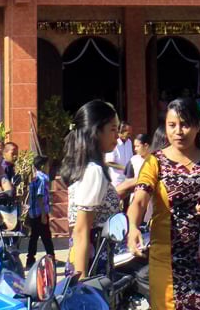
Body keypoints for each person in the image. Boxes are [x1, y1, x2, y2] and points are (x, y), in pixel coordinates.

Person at [127, 97, 200, 310]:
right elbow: (140, 200)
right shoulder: (155, 161)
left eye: (185, 124)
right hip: (165, 258)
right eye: (172, 125)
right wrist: (133, 226)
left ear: (198, 126)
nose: (178, 131)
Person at [60, 100, 125, 278]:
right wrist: (82, 282)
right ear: (96, 132)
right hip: (92, 266)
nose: (117, 136)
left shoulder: (89, 168)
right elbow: (82, 231)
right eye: (113, 129)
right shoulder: (94, 171)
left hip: (92, 261)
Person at [24, 155, 55, 268]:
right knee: (46, 237)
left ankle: (30, 259)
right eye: (47, 165)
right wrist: (43, 214)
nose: (48, 167)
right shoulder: (42, 179)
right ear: (42, 166)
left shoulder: (34, 178)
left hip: (33, 213)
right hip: (40, 212)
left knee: (34, 237)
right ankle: (51, 257)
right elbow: (40, 196)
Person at [107, 121, 134, 188]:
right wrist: (125, 168)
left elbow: (131, 159)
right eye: (128, 133)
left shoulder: (129, 142)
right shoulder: (113, 143)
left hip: (127, 180)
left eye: (130, 133)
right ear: (120, 132)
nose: (130, 135)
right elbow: (108, 162)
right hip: (116, 181)